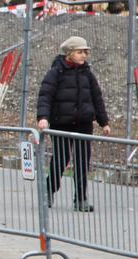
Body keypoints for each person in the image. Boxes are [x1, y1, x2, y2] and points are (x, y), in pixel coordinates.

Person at [37, 36, 110, 212]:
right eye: (79, 52)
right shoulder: (56, 72)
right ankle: (48, 191)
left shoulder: (87, 74)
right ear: (69, 53)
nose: (84, 55)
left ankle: (81, 199)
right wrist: (43, 117)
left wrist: (103, 122)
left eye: (85, 52)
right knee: (61, 160)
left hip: (83, 124)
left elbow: (96, 98)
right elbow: (45, 96)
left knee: (82, 162)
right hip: (61, 123)